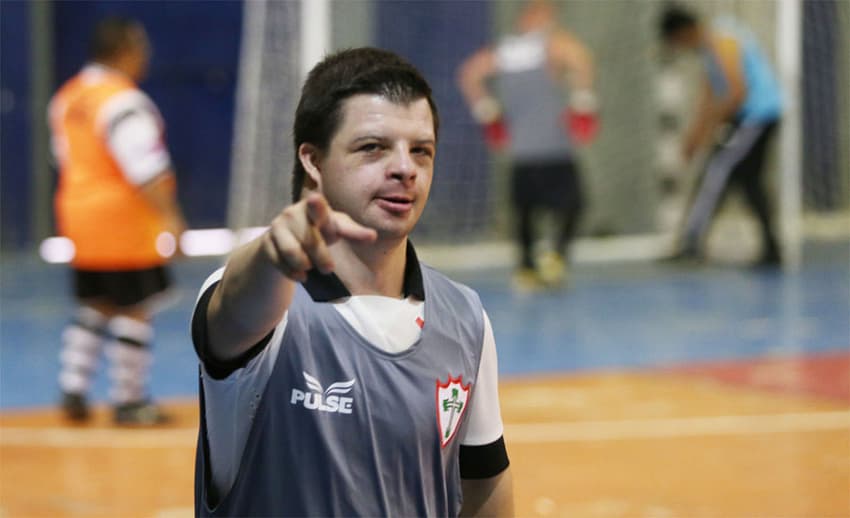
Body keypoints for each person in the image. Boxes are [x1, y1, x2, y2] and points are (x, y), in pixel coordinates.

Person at [190, 48, 514, 516]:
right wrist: (271, 254)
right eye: (373, 148)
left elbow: (485, 485)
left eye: (420, 150)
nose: (405, 168)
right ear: (313, 162)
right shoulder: (266, 308)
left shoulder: (465, 319)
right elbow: (233, 312)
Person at [49, 17, 186, 424]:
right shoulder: (123, 102)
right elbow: (144, 166)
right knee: (135, 308)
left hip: (78, 214)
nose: (147, 53)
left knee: (96, 303)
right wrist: (171, 217)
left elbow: (64, 157)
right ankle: (130, 399)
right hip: (122, 218)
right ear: (125, 50)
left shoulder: (68, 97)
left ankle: (73, 385)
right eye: (140, 45)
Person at [457, 0, 598, 290]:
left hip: (538, 147)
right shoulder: (550, 46)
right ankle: (543, 262)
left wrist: (487, 111)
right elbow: (580, 59)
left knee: (534, 211)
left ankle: (537, 265)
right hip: (542, 148)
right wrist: (583, 102)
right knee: (553, 208)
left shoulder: (506, 52)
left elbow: (470, 74)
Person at [659, 4, 783, 266]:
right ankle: (772, 248)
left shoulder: (722, 40)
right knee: (749, 181)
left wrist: (713, 130)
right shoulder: (708, 49)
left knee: (716, 171)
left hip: (755, 116)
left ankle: (692, 243)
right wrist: (695, 135)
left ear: (683, 33)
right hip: (751, 115)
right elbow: (709, 95)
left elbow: (736, 91)